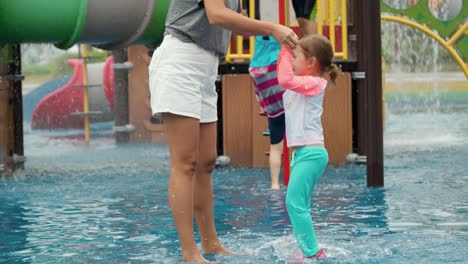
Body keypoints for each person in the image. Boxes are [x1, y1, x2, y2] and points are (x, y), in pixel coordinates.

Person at [148, 0, 299, 262]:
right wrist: (273, 28)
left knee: (206, 162)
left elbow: (234, 22)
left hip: (207, 66)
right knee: (185, 162)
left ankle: (210, 243)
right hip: (180, 61)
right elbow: (217, 15)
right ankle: (189, 253)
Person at [276, 35, 340, 259]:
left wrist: (284, 51)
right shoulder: (302, 84)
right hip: (302, 154)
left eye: (295, 57)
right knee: (299, 203)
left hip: (311, 154)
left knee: (294, 203)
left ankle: (314, 253)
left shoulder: (315, 83)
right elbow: (286, 84)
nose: (291, 61)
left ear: (311, 62)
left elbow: (284, 79)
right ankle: (307, 250)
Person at [248, 36, 285, 190]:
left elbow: (257, 92)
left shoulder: (254, 68)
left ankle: (275, 183)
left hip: (272, 110)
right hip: (289, 104)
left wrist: (264, 108)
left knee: (275, 147)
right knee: (297, 146)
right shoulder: (280, 60)